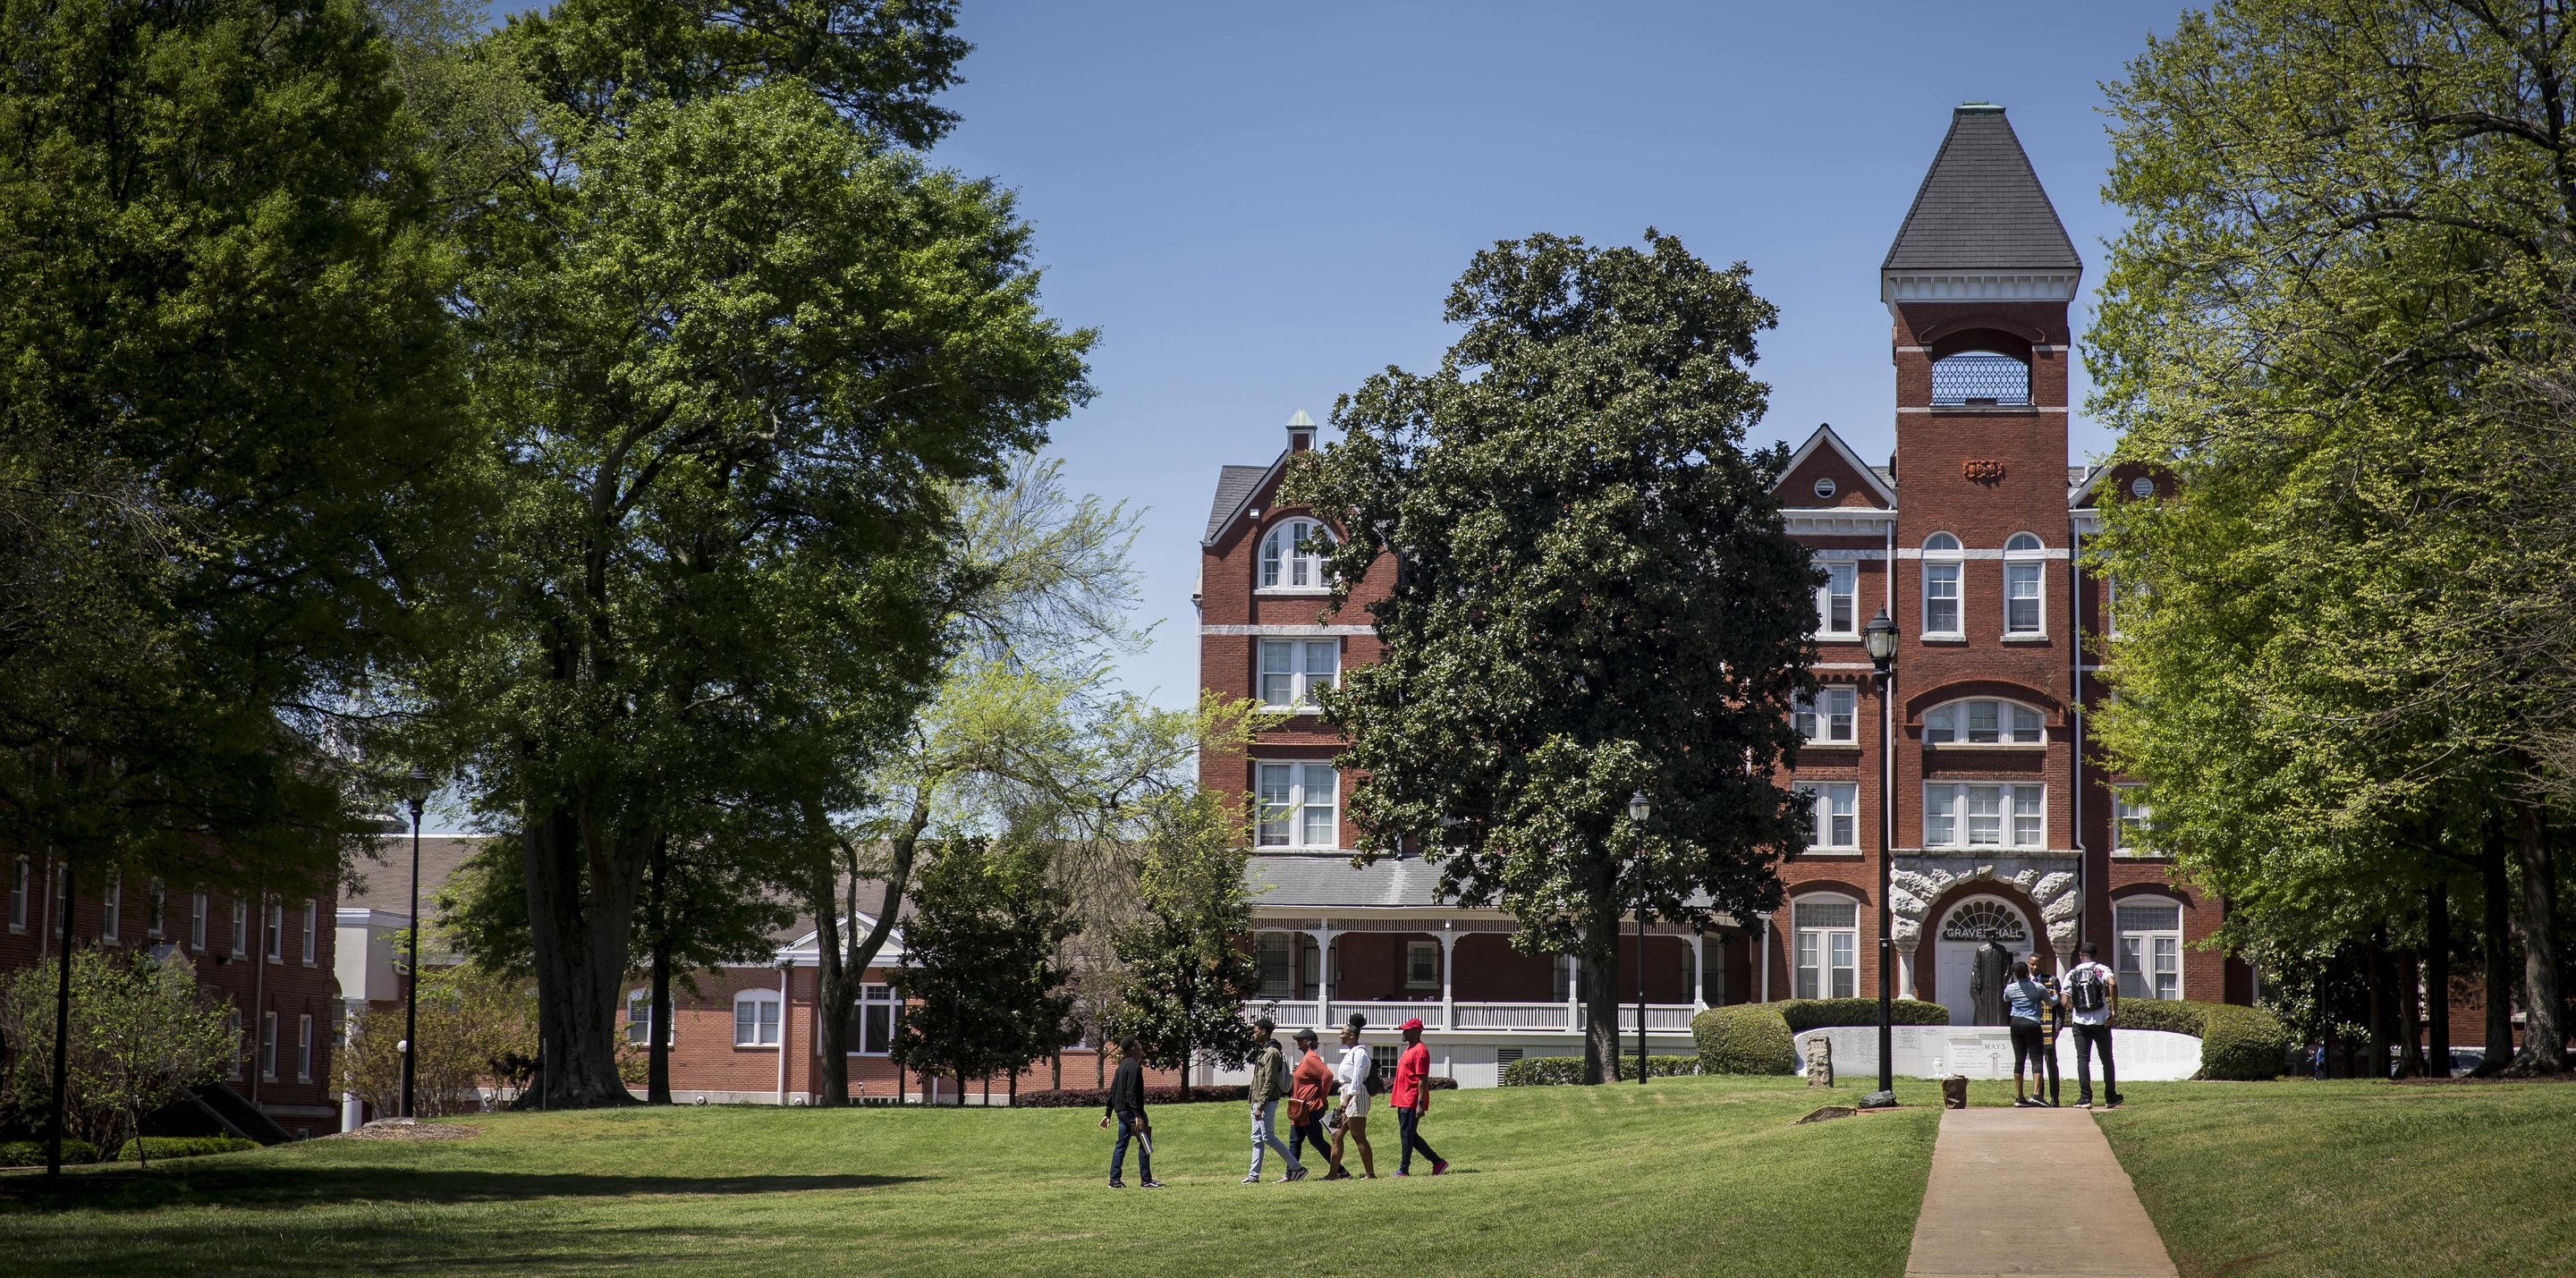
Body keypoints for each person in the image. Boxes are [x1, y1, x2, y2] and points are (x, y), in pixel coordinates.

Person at [1244, 1017, 1305, 1182]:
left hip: (1266, 1102)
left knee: (1268, 1137)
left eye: (1255, 1031)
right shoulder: (1265, 1051)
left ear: (1264, 1032)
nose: (1253, 1034)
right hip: (1258, 1101)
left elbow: (1269, 1081)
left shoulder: (1272, 1053)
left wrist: (1260, 1105)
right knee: (1256, 1139)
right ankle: (1253, 1176)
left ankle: (1297, 1168)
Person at [2063, 941, 2123, 1110]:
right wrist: (2113, 1010)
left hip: (2080, 1023)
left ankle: (2085, 1098)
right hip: (2101, 1021)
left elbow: (2064, 1000)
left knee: (2083, 1059)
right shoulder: (2101, 969)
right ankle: (2110, 1096)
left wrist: (2075, 1009)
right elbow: (2112, 983)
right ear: (2095, 955)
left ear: (2081, 955)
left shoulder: (2072, 972)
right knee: (2107, 1060)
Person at [1100, 1037, 1164, 1189]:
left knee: (1121, 1144)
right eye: (1139, 1047)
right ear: (1133, 1048)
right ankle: (1146, 1180)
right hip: (1132, 1112)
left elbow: (1113, 1091)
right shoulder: (1134, 1067)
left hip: (1120, 1112)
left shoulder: (1120, 1068)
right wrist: (1137, 1115)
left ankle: (1114, 1180)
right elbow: (1131, 1093)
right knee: (1144, 1142)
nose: (1141, 1050)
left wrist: (1108, 1113)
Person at [1389, 1016, 1447, 1176]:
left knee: (1407, 1134)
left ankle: (1404, 1169)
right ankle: (1438, 1162)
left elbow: (1422, 1079)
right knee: (1410, 1135)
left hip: (1411, 1099)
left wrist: (1420, 1103)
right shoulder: (1409, 1049)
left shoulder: (1420, 1051)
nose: (1404, 1032)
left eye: (1407, 1030)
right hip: (1403, 1098)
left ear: (1416, 1031)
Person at [1327, 1014, 1376, 1180]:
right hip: (1345, 1095)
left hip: (1356, 1096)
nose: (1341, 1035)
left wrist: (1347, 1099)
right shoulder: (1349, 1053)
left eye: (1343, 1033)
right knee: (1335, 1134)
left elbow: (1357, 1077)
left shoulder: (1360, 1053)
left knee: (1358, 1135)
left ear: (1352, 1035)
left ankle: (1370, 1173)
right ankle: (1333, 1174)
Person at [2004, 959, 2051, 1107]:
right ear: (2027, 972)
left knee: (2019, 1059)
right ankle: (2036, 1094)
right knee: (2036, 1058)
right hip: (2032, 1022)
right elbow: (2051, 1002)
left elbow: (2006, 998)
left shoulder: (2010, 988)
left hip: (2015, 1022)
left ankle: (2019, 1097)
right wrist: (2054, 995)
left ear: (2015, 974)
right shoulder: (2038, 987)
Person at [1288, 1028, 1335, 1172]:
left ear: (1308, 1042)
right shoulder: (1306, 1058)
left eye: (1300, 1040)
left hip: (1311, 1108)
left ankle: (1339, 1170)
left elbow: (1327, 1076)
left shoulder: (1311, 1058)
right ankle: (1291, 1173)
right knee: (1295, 1141)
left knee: (1317, 1141)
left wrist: (1322, 1096)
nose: (1298, 1043)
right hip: (1300, 1109)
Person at [2029, 951, 2064, 1107]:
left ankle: (2054, 1098)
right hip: (2031, 1028)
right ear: (2028, 964)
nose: (2035, 967)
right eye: (2032, 964)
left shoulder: (2052, 981)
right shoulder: (2024, 982)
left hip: (2048, 1027)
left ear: (2043, 964)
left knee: (2051, 1062)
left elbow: (2059, 1006)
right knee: (2036, 1062)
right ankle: (2039, 1096)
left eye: (2038, 964)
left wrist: (2058, 1026)